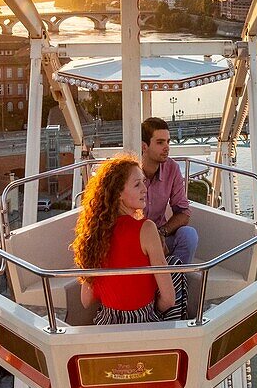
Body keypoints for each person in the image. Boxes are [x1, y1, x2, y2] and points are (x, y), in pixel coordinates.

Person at [71, 154, 186, 324]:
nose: (145, 189)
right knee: (175, 266)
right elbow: (169, 299)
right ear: (118, 194)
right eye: (137, 184)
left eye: (143, 182)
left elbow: (86, 301)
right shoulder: (146, 229)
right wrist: (151, 309)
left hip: (107, 322)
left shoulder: (93, 234)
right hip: (144, 322)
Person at [141, 117, 199, 265]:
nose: (167, 147)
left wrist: (161, 232)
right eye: (160, 142)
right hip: (135, 240)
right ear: (144, 146)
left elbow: (183, 213)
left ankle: (174, 281)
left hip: (161, 236)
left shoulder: (171, 169)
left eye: (168, 141)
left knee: (189, 235)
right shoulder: (129, 172)